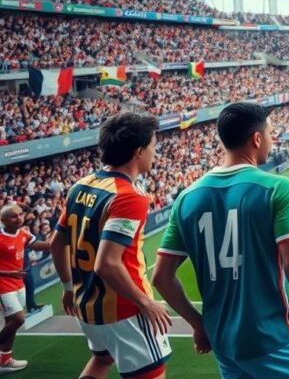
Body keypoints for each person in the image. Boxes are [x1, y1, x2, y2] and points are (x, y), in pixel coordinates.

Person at [153, 102, 289, 379]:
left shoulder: (186, 199)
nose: (272, 142)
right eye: (271, 134)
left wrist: (199, 325)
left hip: (225, 344)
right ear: (257, 138)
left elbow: (161, 277)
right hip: (272, 335)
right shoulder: (277, 188)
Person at [50, 112, 173, 379]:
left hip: (87, 306)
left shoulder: (80, 186)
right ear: (138, 152)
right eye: (153, 147)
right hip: (125, 310)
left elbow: (57, 242)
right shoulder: (130, 197)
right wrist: (146, 303)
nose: (155, 153)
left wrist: (68, 288)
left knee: (101, 361)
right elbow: (107, 263)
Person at [0, 205, 49, 372]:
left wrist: (62, 238)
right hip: (3, 284)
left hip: (18, 284)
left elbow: (41, 245)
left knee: (11, 323)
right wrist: (8, 273)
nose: (20, 218)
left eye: (20, 214)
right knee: (18, 319)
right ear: (4, 220)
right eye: (14, 216)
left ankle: (5, 359)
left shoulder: (23, 234)